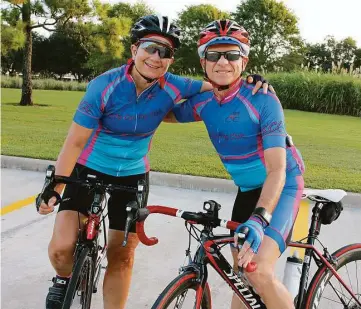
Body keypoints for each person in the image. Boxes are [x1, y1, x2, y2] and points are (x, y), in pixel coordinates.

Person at [36, 14, 271, 309]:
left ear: (171, 59)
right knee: (61, 249)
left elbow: (221, 85)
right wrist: (56, 186)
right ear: (135, 50)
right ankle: (63, 278)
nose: (156, 57)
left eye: (166, 52)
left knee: (121, 255)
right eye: (150, 47)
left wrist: (253, 81)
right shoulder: (103, 86)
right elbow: (75, 142)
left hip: (132, 175)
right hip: (88, 168)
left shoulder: (174, 86)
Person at [165, 19, 305, 309]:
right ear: (203, 61)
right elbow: (164, 111)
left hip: (281, 185)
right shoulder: (203, 102)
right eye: (214, 55)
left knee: (258, 271)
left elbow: (277, 169)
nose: (223, 62)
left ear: (244, 59)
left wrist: (259, 218)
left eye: (231, 54)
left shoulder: (262, 99)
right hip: (248, 189)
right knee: (239, 275)